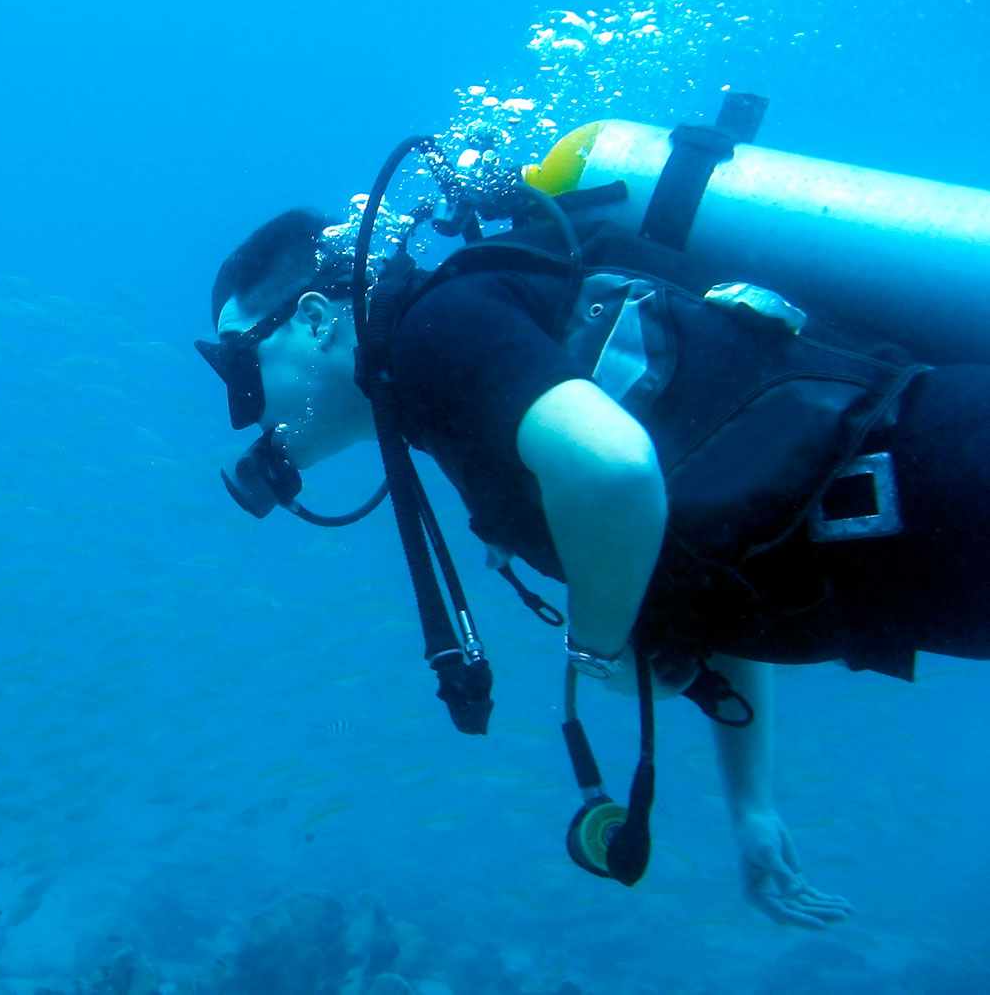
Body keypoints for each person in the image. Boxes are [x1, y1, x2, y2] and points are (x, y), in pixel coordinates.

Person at [197, 205, 990, 929]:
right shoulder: (448, 392)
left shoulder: (438, 334)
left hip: (938, 491)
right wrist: (752, 803)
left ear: (313, 320)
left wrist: (598, 648)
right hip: (919, 537)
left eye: (240, 368)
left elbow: (613, 471)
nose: (249, 410)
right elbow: (709, 549)